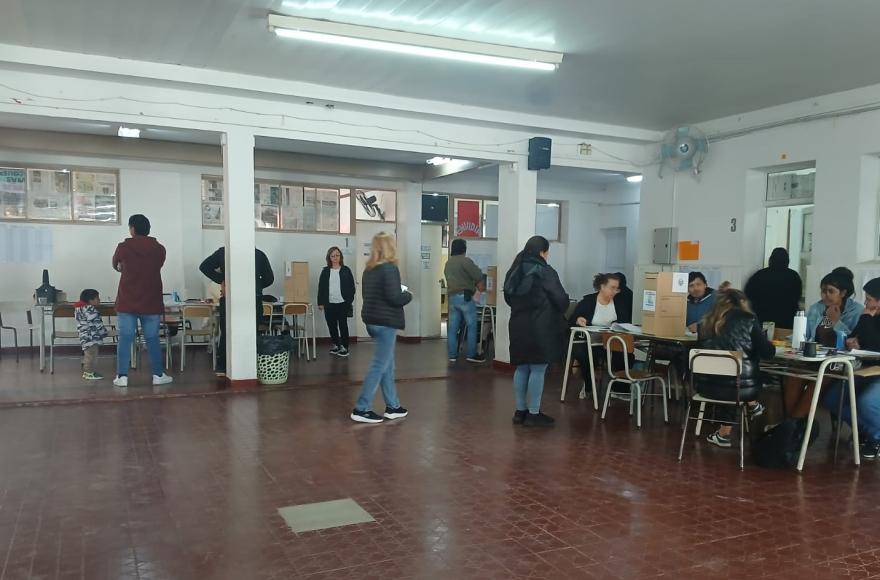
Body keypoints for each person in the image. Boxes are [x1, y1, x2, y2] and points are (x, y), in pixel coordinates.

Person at [695, 289, 775, 448]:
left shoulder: (704, 322)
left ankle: (725, 433)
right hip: (742, 390)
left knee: (728, 373)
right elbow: (768, 353)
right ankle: (752, 406)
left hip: (705, 387)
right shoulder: (749, 320)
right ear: (743, 303)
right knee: (739, 373)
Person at [504, 235, 569, 427]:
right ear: (543, 252)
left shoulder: (514, 270)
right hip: (541, 326)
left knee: (522, 367)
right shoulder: (545, 271)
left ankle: (520, 411)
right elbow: (560, 299)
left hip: (517, 324)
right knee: (538, 368)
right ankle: (533, 414)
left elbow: (509, 297)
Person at [783, 267, 864, 417]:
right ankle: (793, 426)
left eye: (830, 291)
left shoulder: (856, 311)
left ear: (843, 293)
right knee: (794, 375)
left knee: (819, 381)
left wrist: (834, 322)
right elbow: (805, 334)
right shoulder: (816, 307)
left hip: (839, 362)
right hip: (815, 358)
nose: (825, 295)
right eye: (823, 291)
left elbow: (852, 341)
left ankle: (792, 424)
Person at [350, 233, 411, 424]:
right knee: (379, 365)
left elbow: (370, 295)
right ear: (390, 247)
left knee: (387, 365)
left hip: (371, 321)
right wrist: (407, 295)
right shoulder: (390, 269)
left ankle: (393, 406)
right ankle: (361, 408)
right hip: (386, 322)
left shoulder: (369, 270)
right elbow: (394, 297)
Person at [112, 214, 173, 387]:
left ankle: (122, 376)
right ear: (148, 229)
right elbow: (157, 266)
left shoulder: (123, 247)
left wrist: (124, 267)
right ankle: (158, 375)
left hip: (127, 300)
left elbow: (115, 265)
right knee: (153, 338)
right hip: (151, 301)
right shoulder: (159, 249)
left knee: (125, 337)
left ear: (132, 229)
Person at [199, 247, 274, 376]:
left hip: (229, 298)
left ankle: (223, 367)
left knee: (227, 333)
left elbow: (204, 266)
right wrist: (256, 284)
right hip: (253, 298)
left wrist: (222, 279)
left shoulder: (224, 251)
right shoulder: (259, 254)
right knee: (251, 333)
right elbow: (269, 278)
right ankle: (249, 367)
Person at [828, 277, 880, 459]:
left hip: (877, 372)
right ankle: (868, 432)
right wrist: (853, 342)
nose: (866, 303)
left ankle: (876, 437)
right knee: (833, 399)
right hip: (864, 370)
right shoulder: (870, 316)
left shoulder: (863, 313)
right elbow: (854, 335)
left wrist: (865, 317)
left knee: (867, 402)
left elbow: (875, 344)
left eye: (870, 299)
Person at [444, 238, 486, 364]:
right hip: (465, 297)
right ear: (464, 249)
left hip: (452, 298)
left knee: (452, 328)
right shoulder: (465, 261)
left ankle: (452, 355)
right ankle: (471, 354)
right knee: (472, 326)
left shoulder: (448, 263)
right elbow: (478, 275)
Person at [744, 247, 803, 328]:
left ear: (771, 259)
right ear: (787, 261)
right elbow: (797, 296)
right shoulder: (793, 276)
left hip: (761, 320)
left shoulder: (759, 275)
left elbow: (747, 294)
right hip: (786, 321)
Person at [317, 246, 355, 357]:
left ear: (340, 256)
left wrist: (349, 300)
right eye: (332, 255)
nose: (335, 257)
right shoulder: (325, 271)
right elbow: (321, 288)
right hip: (329, 303)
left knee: (343, 325)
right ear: (329, 257)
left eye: (337, 255)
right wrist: (321, 302)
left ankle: (345, 347)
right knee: (331, 325)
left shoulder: (346, 270)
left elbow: (352, 287)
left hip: (343, 303)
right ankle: (336, 344)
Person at [74, 289, 108, 381]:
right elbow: (97, 324)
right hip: (92, 337)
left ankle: (90, 372)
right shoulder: (90, 310)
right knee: (91, 356)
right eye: (97, 298)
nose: (99, 300)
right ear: (90, 300)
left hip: (84, 337)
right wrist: (104, 332)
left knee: (88, 355)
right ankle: (88, 373)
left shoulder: (79, 309)